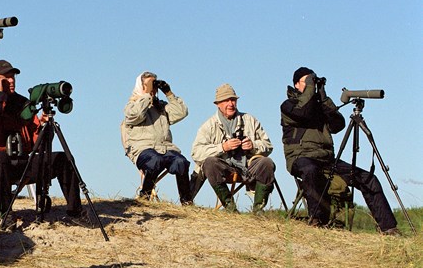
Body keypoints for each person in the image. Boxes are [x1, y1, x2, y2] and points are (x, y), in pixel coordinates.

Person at [0, 60, 90, 225]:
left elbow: (36, 143)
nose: (11, 80)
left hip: (23, 161)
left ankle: (75, 212)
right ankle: (4, 212)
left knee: (63, 159)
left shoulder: (22, 103)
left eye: (13, 77)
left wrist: (45, 125)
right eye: (6, 77)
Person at [280, 67, 399, 235]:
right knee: (310, 170)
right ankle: (317, 220)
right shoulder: (288, 106)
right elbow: (304, 112)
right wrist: (310, 89)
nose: (311, 85)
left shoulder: (319, 106)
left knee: (368, 179)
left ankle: (388, 227)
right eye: (307, 82)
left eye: (312, 82)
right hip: (301, 158)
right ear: (296, 84)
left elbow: (338, 125)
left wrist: (323, 96)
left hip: (327, 160)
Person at [191, 84, 275, 213]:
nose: (230, 104)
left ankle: (258, 209)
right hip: (224, 168)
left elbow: (268, 145)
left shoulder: (250, 120)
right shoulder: (209, 125)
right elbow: (196, 153)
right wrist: (222, 147)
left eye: (233, 100)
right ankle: (230, 208)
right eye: (226, 100)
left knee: (267, 163)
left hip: (248, 166)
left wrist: (253, 146)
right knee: (209, 163)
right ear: (218, 104)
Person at [122, 71, 192, 205]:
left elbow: (182, 113)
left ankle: (187, 201)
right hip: (143, 150)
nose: (153, 88)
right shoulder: (132, 105)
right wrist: (147, 95)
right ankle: (145, 196)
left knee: (181, 162)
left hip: (165, 148)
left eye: (155, 84)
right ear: (141, 86)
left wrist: (169, 93)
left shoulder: (161, 107)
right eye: (150, 84)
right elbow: (135, 115)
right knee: (155, 160)